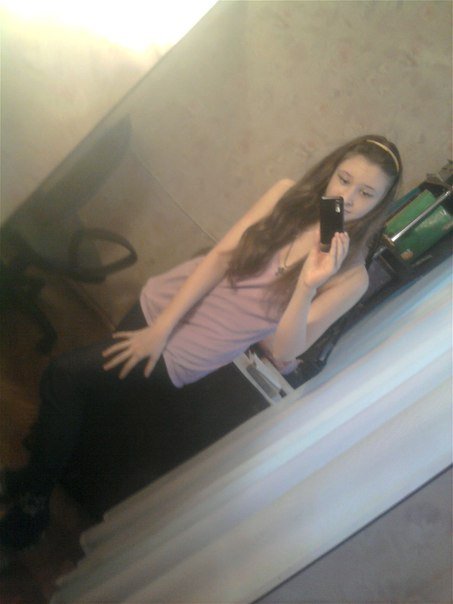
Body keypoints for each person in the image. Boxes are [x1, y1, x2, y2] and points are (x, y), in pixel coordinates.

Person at [0, 134, 402, 551]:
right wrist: (161, 327)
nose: (347, 198)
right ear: (332, 171)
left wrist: (307, 285)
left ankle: (32, 507)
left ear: (380, 204)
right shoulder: (287, 195)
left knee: (65, 376)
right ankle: (34, 477)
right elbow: (221, 257)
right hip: (166, 304)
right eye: (344, 179)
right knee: (95, 399)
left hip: (193, 349)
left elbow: (283, 350)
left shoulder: (352, 277)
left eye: (366, 193)